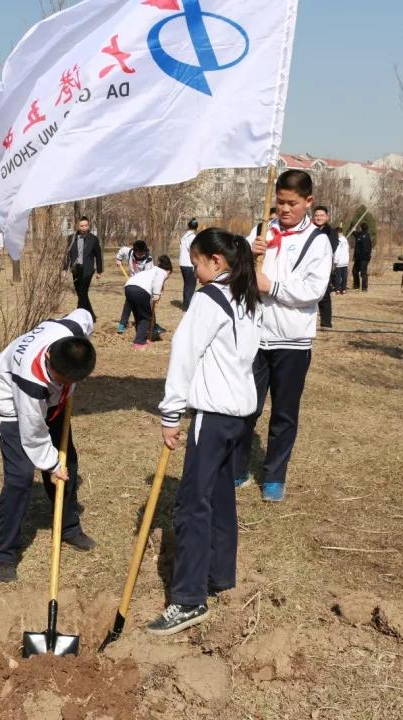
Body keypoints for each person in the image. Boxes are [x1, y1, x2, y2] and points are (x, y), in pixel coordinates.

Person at [149, 228, 262, 635]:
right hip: (239, 418)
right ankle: (219, 575)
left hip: (214, 419)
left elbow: (184, 354)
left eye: (197, 262)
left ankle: (188, 599)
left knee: (192, 507)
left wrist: (171, 413)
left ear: (216, 261)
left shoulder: (210, 298)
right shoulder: (246, 293)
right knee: (220, 497)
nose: (194, 271)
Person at [0, 310, 98, 583]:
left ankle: (68, 527)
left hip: (51, 401)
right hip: (9, 398)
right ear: (47, 359)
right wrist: (52, 465)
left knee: (69, 463)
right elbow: (33, 434)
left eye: (72, 382)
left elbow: (84, 314)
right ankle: (4, 553)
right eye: (62, 379)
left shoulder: (72, 331)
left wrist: (60, 465)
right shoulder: (31, 380)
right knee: (20, 476)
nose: (67, 384)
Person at [236, 170, 333, 502]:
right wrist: (246, 256)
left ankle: (275, 474)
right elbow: (236, 275)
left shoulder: (318, 242)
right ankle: (237, 466)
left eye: (292, 203)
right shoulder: (262, 230)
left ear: (308, 202)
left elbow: (313, 290)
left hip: (292, 340)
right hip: (255, 335)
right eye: (280, 202)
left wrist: (273, 286)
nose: (285, 209)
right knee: (245, 406)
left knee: (284, 411)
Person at [124, 255, 174, 349]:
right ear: (168, 271)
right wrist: (156, 295)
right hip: (140, 290)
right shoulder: (162, 272)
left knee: (139, 316)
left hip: (128, 287)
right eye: (169, 275)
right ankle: (139, 343)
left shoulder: (151, 270)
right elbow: (158, 282)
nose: (167, 277)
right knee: (146, 318)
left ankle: (140, 338)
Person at [63, 216, 103, 320]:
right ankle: (92, 316)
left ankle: (78, 316)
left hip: (87, 270)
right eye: (81, 226)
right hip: (75, 270)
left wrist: (99, 271)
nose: (84, 228)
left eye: (86, 225)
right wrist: (65, 268)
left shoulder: (93, 239)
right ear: (78, 226)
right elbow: (67, 254)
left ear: (88, 226)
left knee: (83, 292)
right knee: (81, 293)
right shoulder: (71, 238)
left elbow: (98, 255)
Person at [311, 206, 340, 328]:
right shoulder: (309, 230)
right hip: (308, 266)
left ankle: (326, 322)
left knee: (324, 295)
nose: (319, 217)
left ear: (327, 217)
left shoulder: (332, 232)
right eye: (317, 215)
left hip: (323, 267)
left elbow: (331, 248)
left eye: (322, 215)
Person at [116, 240, 154, 333]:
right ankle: (122, 323)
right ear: (134, 251)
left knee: (147, 304)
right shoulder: (129, 252)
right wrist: (118, 259)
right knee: (129, 302)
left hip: (144, 285)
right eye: (138, 253)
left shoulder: (148, 260)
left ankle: (151, 324)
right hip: (132, 283)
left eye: (142, 253)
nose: (140, 255)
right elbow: (122, 250)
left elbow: (148, 276)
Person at [177, 218, 199, 311]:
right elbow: (193, 251)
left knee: (187, 285)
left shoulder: (184, 236)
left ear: (188, 226)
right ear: (196, 227)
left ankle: (186, 305)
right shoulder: (192, 237)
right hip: (189, 264)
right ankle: (187, 306)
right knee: (191, 285)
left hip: (182, 263)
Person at [352, 222, 373, 292]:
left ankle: (364, 288)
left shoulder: (363, 236)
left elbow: (356, 235)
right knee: (355, 271)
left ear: (361, 228)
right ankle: (356, 286)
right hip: (360, 258)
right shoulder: (366, 235)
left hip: (362, 258)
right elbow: (355, 234)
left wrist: (354, 230)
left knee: (363, 272)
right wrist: (354, 230)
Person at [333, 227, 349, 294]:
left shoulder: (338, 240)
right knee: (344, 276)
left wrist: (335, 261)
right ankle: (343, 289)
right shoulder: (345, 240)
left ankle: (337, 289)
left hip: (339, 261)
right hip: (345, 261)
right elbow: (347, 250)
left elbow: (337, 251)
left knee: (338, 276)